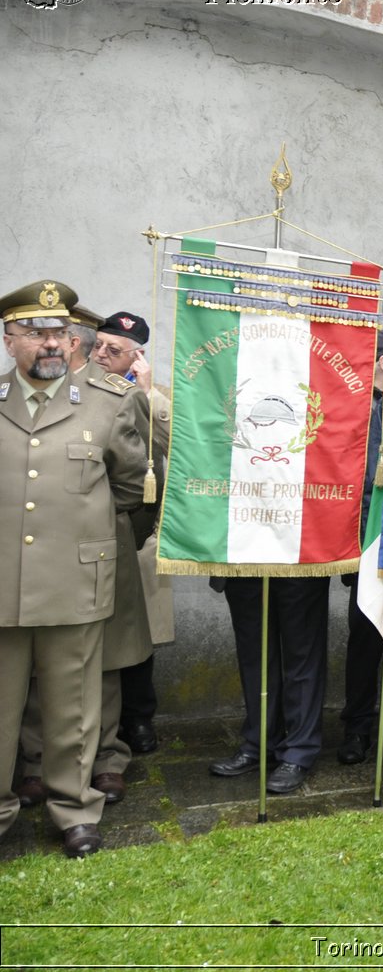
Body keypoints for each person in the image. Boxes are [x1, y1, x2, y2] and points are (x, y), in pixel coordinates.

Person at [1, 280, 154, 857]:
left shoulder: (108, 402)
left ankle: (74, 809)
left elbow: (130, 486)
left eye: (58, 334)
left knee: (75, 705)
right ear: (10, 340)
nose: (49, 343)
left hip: (74, 579)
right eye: (36, 333)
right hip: (3, 581)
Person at [16, 309, 172, 805]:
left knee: (105, 660)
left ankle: (105, 757)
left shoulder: (119, 397)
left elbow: (142, 477)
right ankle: (38, 761)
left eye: (60, 336)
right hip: (38, 552)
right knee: (40, 664)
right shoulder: (29, 393)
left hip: (106, 544)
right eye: (96, 345)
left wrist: (113, 528)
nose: (58, 346)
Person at [89, 310, 172, 755]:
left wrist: (146, 393)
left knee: (138, 639)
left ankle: (139, 720)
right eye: (97, 346)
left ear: (137, 356)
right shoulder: (78, 392)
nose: (101, 355)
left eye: (114, 350)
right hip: (91, 533)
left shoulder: (158, 397)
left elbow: (173, 450)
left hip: (137, 534)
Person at [335, 330, 383, 765]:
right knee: (364, 642)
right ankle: (357, 727)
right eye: (382, 357)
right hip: (365, 542)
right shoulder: (351, 405)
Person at [210, 575, 332, 794]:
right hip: (244, 556)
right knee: (253, 652)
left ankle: (299, 750)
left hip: (302, 554)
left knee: (303, 651)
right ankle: (260, 741)